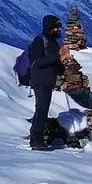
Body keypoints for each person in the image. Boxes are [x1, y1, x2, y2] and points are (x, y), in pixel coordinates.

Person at [28, 14, 68, 151]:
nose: (59, 30)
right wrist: (57, 56)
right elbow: (38, 61)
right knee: (42, 110)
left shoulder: (52, 42)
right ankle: (37, 141)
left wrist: (62, 64)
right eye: (57, 27)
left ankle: (35, 137)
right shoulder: (39, 41)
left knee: (41, 110)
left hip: (47, 81)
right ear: (50, 27)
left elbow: (53, 63)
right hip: (40, 81)